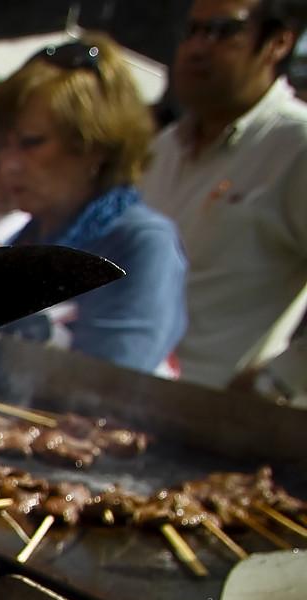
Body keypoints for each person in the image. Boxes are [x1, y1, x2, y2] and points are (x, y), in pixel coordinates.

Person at [0, 38, 187, 374]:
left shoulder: (141, 243)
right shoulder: (26, 236)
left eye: (31, 143)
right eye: (5, 146)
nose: (9, 165)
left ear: (95, 146)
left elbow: (108, 388)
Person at [141, 0, 307, 398]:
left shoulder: (296, 146)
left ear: (277, 43)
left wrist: (280, 379)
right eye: (192, 31)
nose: (198, 48)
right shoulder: (163, 148)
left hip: (223, 427)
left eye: (222, 31)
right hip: (126, 405)